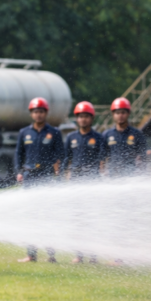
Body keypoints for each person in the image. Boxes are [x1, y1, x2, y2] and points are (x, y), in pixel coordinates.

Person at [14, 97, 63, 263]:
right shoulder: (24, 133)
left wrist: (57, 169)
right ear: (31, 114)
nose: (38, 114)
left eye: (41, 111)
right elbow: (18, 155)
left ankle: (51, 255)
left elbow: (60, 155)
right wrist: (19, 172)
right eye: (35, 111)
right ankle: (31, 254)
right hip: (29, 176)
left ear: (46, 113)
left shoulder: (54, 133)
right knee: (30, 216)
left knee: (48, 215)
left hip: (46, 175)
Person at [63, 101, 105, 263]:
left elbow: (102, 160)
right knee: (78, 220)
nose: (83, 119)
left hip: (92, 182)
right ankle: (79, 255)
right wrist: (65, 178)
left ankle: (93, 256)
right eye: (80, 116)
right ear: (76, 118)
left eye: (86, 116)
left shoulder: (98, 138)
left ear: (91, 118)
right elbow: (67, 160)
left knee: (93, 220)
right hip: (75, 183)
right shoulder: (71, 138)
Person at [102, 97, 146, 176]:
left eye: (123, 112)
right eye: (117, 113)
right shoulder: (107, 134)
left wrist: (142, 173)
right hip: (113, 175)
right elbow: (102, 157)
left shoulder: (137, 134)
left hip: (131, 175)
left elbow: (143, 156)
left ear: (128, 113)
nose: (120, 115)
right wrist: (104, 172)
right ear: (113, 114)